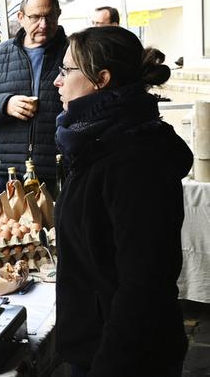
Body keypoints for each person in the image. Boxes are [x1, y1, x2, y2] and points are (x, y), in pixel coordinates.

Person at [53, 26, 190, 377]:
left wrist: (108, 367)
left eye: (67, 71)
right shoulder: (93, 142)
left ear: (101, 79)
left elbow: (143, 285)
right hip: (97, 343)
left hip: (123, 357)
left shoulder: (134, 159)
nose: (58, 81)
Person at [0, 0, 67, 201]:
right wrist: (5, 104)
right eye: (35, 17)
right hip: (10, 171)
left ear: (58, 15)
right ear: (21, 17)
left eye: (49, 16)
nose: (43, 24)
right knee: (11, 232)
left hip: (58, 169)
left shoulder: (73, 53)